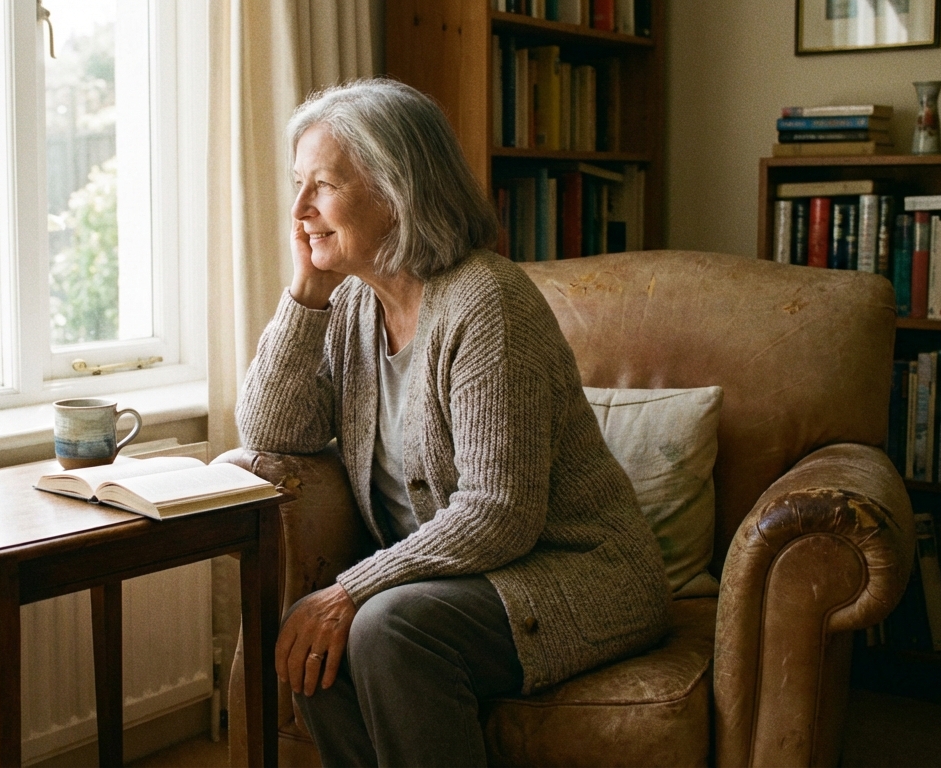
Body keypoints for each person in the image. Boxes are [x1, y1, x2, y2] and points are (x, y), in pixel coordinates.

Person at [235, 79, 670, 768]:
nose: (299, 210)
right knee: (312, 640)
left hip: (577, 573)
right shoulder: (350, 305)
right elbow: (269, 429)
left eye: (322, 185)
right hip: (450, 582)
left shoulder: (486, 303)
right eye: (298, 185)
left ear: (395, 190)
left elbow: (500, 513)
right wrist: (306, 297)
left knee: (382, 628)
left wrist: (352, 588)